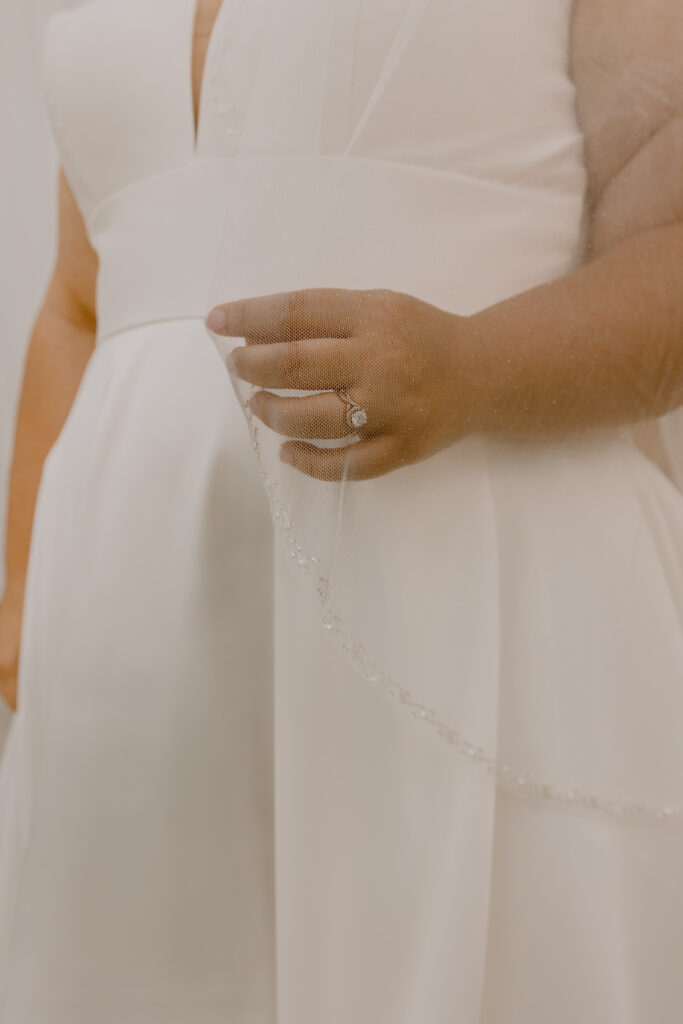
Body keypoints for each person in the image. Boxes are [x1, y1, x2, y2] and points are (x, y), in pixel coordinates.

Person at [1, 0, 682, 1021]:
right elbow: (83, 298)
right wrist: (23, 606)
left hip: (476, 644)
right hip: (137, 691)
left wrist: (473, 367)